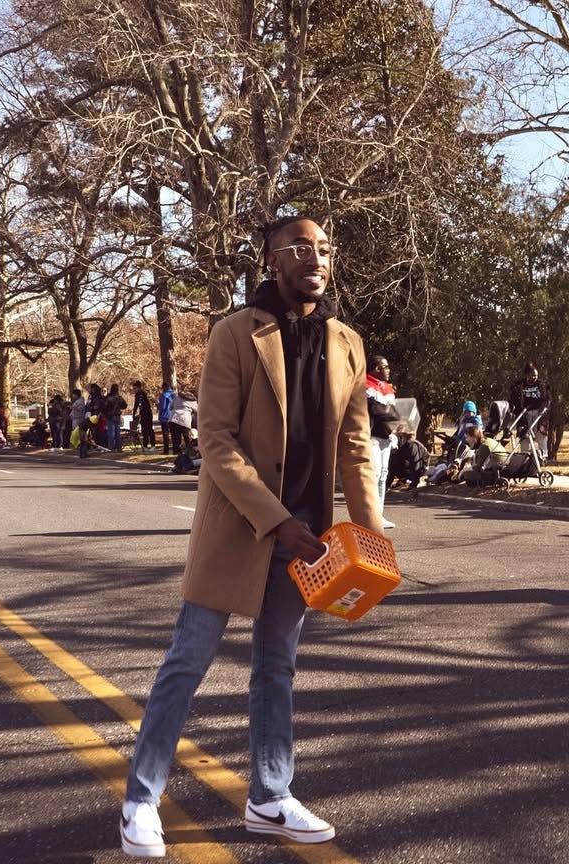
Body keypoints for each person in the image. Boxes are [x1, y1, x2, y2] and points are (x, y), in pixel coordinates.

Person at [119, 215, 381, 858]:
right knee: (188, 661)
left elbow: (353, 447)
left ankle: (269, 797)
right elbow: (216, 442)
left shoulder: (347, 342)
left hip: (308, 541)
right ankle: (141, 800)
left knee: (277, 669)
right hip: (242, 529)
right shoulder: (236, 333)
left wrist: (371, 535)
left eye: (323, 247)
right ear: (271, 261)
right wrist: (277, 521)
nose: (313, 257)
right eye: (298, 247)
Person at [366, 355, 399, 529]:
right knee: (375, 474)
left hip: (386, 437)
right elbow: (374, 410)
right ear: (376, 369)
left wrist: (397, 429)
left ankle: (379, 514)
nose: (388, 370)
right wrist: (398, 416)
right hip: (372, 437)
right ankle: (371, 516)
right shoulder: (366, 385)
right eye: (385, 367)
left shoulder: (389, 389)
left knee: (383, 475)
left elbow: (393, 412)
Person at [509, 362, 551, 457]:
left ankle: (542, 456)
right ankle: (524, 457)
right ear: (527, 375)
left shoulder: (541, 385)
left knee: (541, 436)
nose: (534, 377)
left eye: (536, 375)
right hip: (524, 414)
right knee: (525, 437)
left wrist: (544, 408)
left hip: (539, 414)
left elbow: (547, 399)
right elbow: (514, 400)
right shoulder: (519, 386)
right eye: (532, 375)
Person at [386, 427, 430, 494]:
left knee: (394, 462)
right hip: (416, 469)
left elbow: (416, 465)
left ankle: (389, 484)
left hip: (418, 471)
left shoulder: (412, 445)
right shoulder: (412, 444)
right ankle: (398, 482)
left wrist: (414, 482)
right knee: (394, 461)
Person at [168, 389, 197, 456]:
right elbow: (198, 411)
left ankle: (177, 454)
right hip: (184, 420)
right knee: (187, 439)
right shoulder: (192, 401)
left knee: (175, 439)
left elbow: (170, 407)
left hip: (173, 419)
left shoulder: (177, 397)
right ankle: (190, 453)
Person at [131, 381, 156, 449]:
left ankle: (152, 444)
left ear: (138, 388)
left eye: (135, 388)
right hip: (143, 413)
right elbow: (136, 404)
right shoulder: (139, 394)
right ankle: (145, 444)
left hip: (147, 413)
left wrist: (135, 412)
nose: (134, 390)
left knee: (149, 429)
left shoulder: (141, 394)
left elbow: (138, 404)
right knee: (144, 429)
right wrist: (135, 412)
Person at [158, 384, 175, 456]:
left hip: (165, 416)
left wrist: (157, 404)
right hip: (173, 415)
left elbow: (162, 407)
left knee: (166, 434)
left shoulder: (163, 395)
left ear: (164, 388)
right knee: (174, 434)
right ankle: (176, 449)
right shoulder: (174, 395)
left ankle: (166, 450)